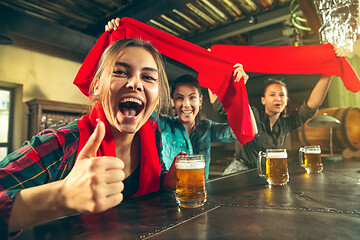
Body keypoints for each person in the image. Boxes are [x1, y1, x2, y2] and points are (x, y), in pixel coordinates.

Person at [0, 38, 177, 238]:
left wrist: (166, 183)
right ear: (97, 87)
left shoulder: (153, 132)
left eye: (148, 77)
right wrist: (61, 196)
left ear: (158, 96)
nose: (135, 83)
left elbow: (150, 181)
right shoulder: (63, 144)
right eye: (120, 72)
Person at [105, 19, 258, 180]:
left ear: (200, 101)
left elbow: (249, 131)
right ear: (172, 102)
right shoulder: (163, 124)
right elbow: (142, 106)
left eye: (192, 98)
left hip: (200, 195)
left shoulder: (207, 128)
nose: (186, 104)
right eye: (180, 98)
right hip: (170, 196)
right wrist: (117, 39)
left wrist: (240, 90)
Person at [220, 45, 345, 174]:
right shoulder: (252, 114)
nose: (277, 99)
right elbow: (224, 106)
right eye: (272, 95)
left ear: (286, 100)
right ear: (263, 100)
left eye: (281, 95)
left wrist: (330, 71)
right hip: (241, 170)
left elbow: (312, 105)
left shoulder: (286, 123)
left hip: (269, 170)